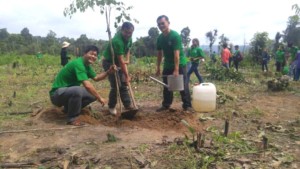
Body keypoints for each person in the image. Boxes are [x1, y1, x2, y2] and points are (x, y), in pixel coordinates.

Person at [49, 45, 116, 126]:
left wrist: (108, 72)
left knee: (92, 95)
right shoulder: (78, 64)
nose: (93, 56)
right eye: (91, 54)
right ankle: (72, 118)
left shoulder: (87, 66)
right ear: (84, 54)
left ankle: (68, 109)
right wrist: (100, 98)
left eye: (95, 55)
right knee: (78, 90)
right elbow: (87, 85)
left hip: (68, 92)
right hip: (57, 94)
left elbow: (96, 78)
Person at [155, 15, 192, 112]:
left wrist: (176, 70)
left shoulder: (175, 36)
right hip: (167, 64)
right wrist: (158, 67)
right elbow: (159, 54)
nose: (161, 25)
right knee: (166, 85)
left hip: (180, 64)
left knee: (183, 85)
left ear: (168, 23)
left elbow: (177, 54)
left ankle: (187, 105)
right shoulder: (160, 38)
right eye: (159, 24)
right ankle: (166, 104)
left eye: (163, 23)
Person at [102, 22, 135, 115]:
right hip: (109, 61)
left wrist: (127, 59)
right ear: (122, 30)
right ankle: (111, 106)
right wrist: (127, 75)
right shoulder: (117, 41)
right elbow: (121, 61)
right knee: (116, 85)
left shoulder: (130, 38)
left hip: (118, 61)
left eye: (130, 33)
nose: (128, 35)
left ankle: (128, 104)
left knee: (124, 84)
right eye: (126, 32)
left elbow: (128, 48)